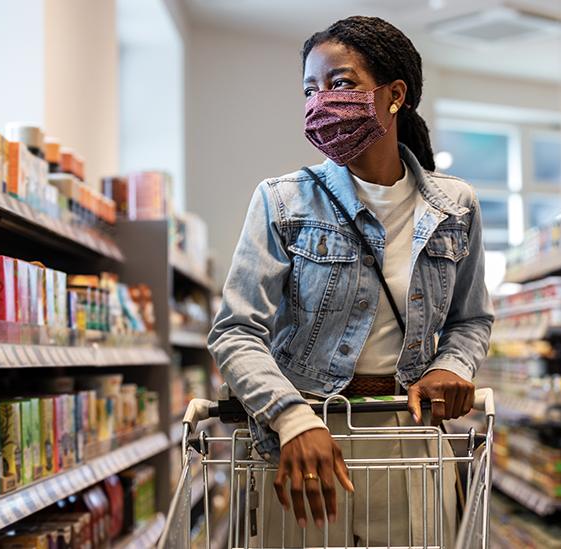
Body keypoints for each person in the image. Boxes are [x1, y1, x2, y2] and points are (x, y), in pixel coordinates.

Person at [208, 15, 493, 547]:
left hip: (412, 442)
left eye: (340, 84)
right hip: (307, 441)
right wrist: (291, 419)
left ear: (395, 95)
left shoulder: (456, 206)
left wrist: (451, 366)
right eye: (310, 89)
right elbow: (235, 331)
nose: (321, 102)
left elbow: (471, 319)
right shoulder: (282, 200)